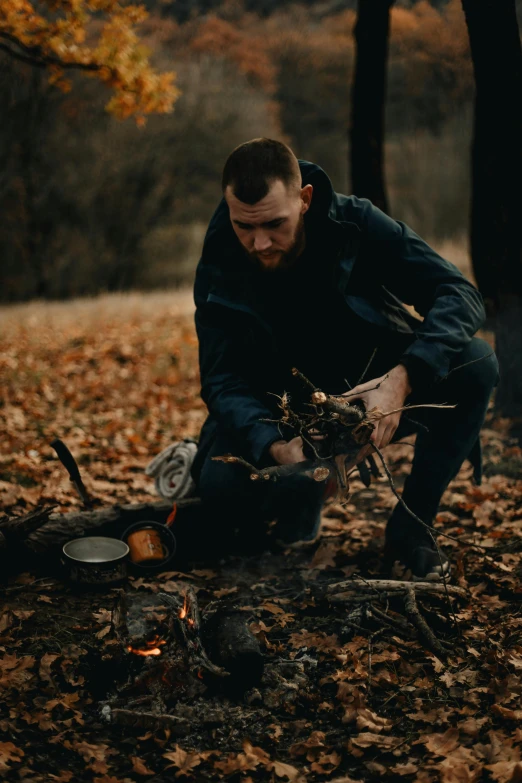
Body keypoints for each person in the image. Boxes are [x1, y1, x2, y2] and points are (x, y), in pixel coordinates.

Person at [190, 137, 498, 580]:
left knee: (475, 363)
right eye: (244, 227)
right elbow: (220, 380)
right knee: (221, 488)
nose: (259, 243)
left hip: (368, 392)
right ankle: (298, 502)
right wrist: (275, 445)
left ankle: (411, 531)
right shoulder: (219, 259)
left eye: (275, 224)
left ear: (305, 199)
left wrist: (401, 380)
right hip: (276, 410)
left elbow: (458, 294)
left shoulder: (355, 222)